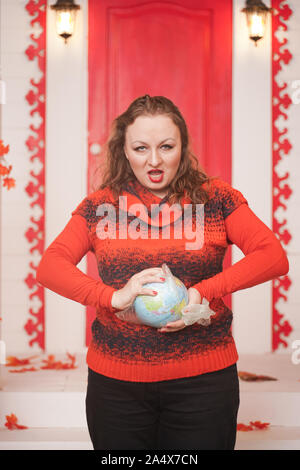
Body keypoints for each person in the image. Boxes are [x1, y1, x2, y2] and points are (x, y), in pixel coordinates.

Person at [36, 94, 289, 451]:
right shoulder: (100, 206)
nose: (154, 160)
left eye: (166, 146)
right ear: (124, 151)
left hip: (204, 385)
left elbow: (273, 256)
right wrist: (110, 297)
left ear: (182, 147)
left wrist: (204, 291)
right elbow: (50, 266)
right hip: (116, 388)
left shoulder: (217, 199)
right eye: (140, 148)